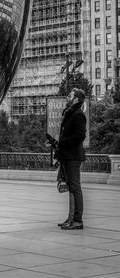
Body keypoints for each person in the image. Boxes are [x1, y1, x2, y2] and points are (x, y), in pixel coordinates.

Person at [55, 88, 86, 230]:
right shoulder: (70, 113)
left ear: (76, 99)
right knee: (71, 187)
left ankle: (77, 220)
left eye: (70, 95)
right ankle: (71, 218)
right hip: (67, 155)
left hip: (73, 156)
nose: (67, 97)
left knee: (75, 187)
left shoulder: (78, 114)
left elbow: (80, 135)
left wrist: (63, 142)